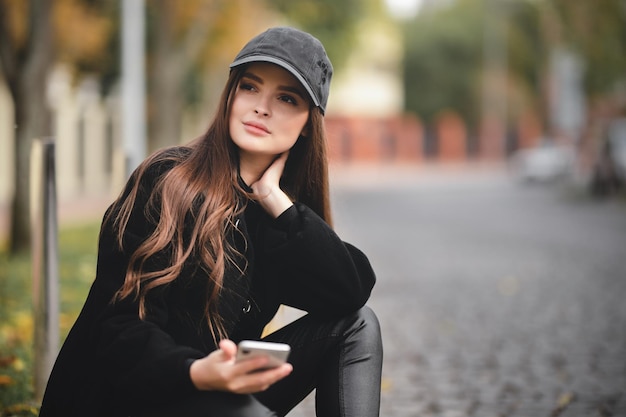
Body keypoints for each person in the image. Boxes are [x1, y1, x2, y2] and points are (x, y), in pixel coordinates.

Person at [39, 26, 383, 417]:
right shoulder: (168, 181)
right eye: (250, 87)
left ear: (308, 124)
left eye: (286, 98)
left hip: (216, 392)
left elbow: (350, 292)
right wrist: (197, 372)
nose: (262, 107)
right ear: (231, 95)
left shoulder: (277, 219)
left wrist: (278, 203)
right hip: (133, 395)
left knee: (358, 326)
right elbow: (119, 326)